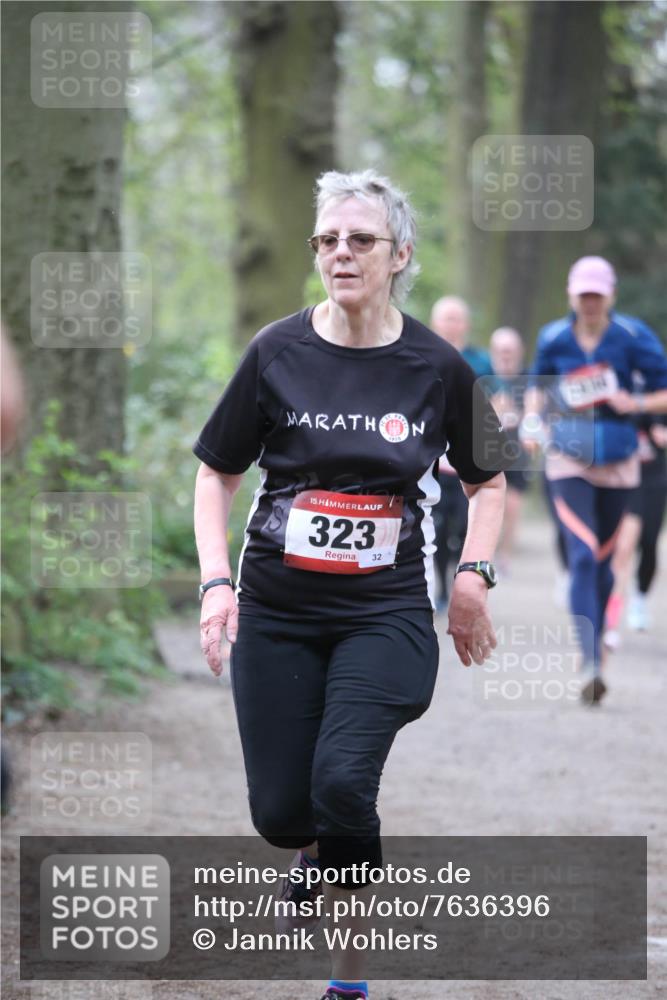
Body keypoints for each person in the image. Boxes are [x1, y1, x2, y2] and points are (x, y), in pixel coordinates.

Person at [193, 169, 506, 1000]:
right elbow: (215, 474)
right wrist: (216, 583)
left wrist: (472, 577)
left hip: (385, 610)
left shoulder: (437, 366)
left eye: (360, 239)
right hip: (278, 611)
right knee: (283, 815)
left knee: (340, 784)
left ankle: (348, 979)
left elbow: (490, 481)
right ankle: (309, 847)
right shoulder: (275, 351)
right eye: (327, 240)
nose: (341, 253)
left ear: (398, 254)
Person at [522, 256, 667, 705]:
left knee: (605, 560)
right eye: (582, 294)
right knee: (582, 555)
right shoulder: (553, 337)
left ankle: (597, 654)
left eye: (597, 295)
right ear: (571, 294)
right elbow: (537, 384)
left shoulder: (632, 335)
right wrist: (531, 420)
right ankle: (590, 662)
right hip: (568, 455)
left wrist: (635, 403)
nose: (589, 302)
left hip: (620, 457)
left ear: (610, 296)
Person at [429, 296, 494, 607]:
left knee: (465, 528)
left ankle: (463, 576)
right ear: (434, 322)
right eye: (445, 318)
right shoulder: (421, 356)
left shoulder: (481, 362)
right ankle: (442, 590)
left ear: (465, 325)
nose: (450, 325)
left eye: (456, 319)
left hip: (467, 462)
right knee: (438, 532)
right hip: (434, 463)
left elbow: (496, 404)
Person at [603, 412, 667, 647]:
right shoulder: (619, 394)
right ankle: (611, 623)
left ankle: (640, 596)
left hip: (654, 482)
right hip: (625, 480)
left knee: (649, 545)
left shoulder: (659, 393)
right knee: (623, 550)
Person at [488, 327, 531, 574]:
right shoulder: (483, 376)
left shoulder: (529, 380)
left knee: (512, 504)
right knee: (488, 500)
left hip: (517, 450)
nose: (506, 355)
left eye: (510, 351)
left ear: (519, 352)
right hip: (486, 449)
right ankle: (485, 551)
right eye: (501, 351)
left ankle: (505, 554)